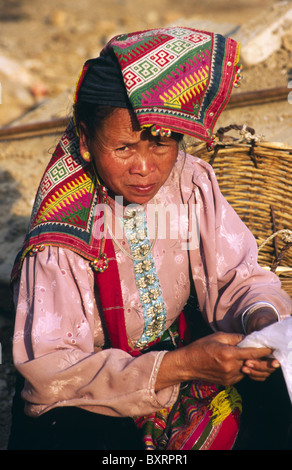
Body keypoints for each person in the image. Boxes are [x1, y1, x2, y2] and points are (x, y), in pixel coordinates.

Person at [8, 27, 292, 450]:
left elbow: (239, 276)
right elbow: (51, 373)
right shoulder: (62, 234)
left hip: (180, 351)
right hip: (90, 392)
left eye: (161, 144)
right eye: (122, 148)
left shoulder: (189, 181)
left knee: (278, 393)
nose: (145, 167)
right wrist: (178, 366)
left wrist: (262, 325)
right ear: (86, 139)